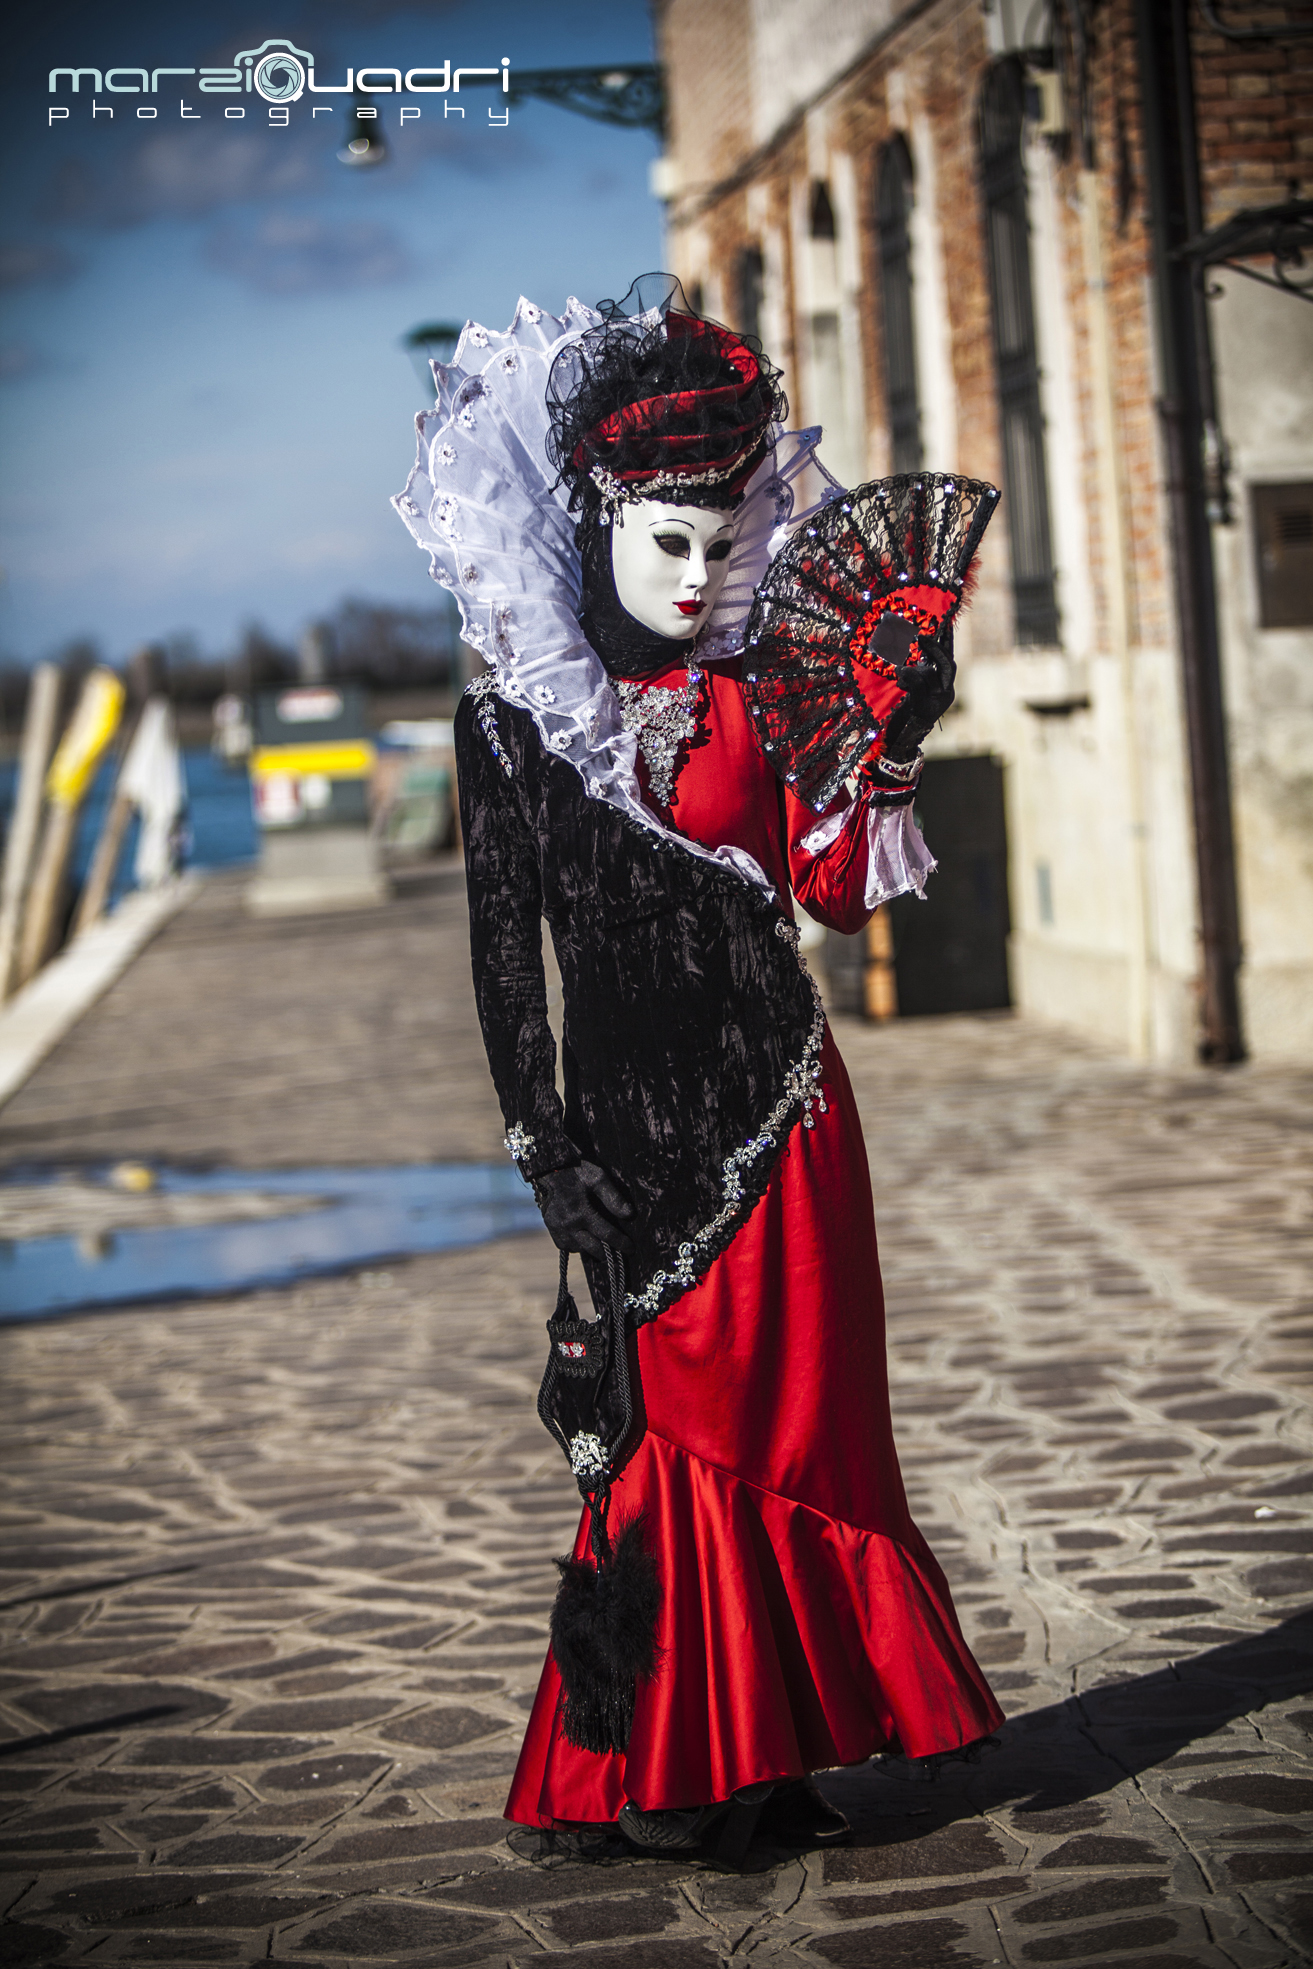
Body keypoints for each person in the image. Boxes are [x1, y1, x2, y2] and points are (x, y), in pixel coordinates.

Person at [394, 281, 1003, 1860]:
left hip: (783, 1120)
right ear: (592, 521)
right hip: (628, 1147)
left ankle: (778, 1752)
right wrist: (542, 1141)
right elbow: (500, 954)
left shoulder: (753, 695)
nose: (699, 574)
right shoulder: (519, 723)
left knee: (808, 1439)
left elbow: (832, 883)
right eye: (668, 540)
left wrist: (886, 736)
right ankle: (656, 1761)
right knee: (654, 1452)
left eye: (724, 544)